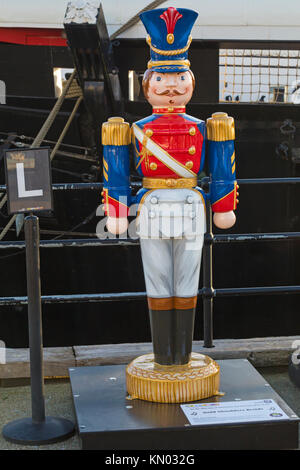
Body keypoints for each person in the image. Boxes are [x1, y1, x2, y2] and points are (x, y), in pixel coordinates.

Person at [101, 6, 238, 368]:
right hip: (153, 205)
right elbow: (117, 174)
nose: (172, 87)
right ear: (147, 85)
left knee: (188, 279)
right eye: (162, 79)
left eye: (179, 77)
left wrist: (223, 206)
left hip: (191, 205)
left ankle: (183, 354)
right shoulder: (130, 129)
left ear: (191, 81)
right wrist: (116, 211)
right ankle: (164, 356)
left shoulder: (207, 126)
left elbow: (221, 169)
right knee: (157, 280)